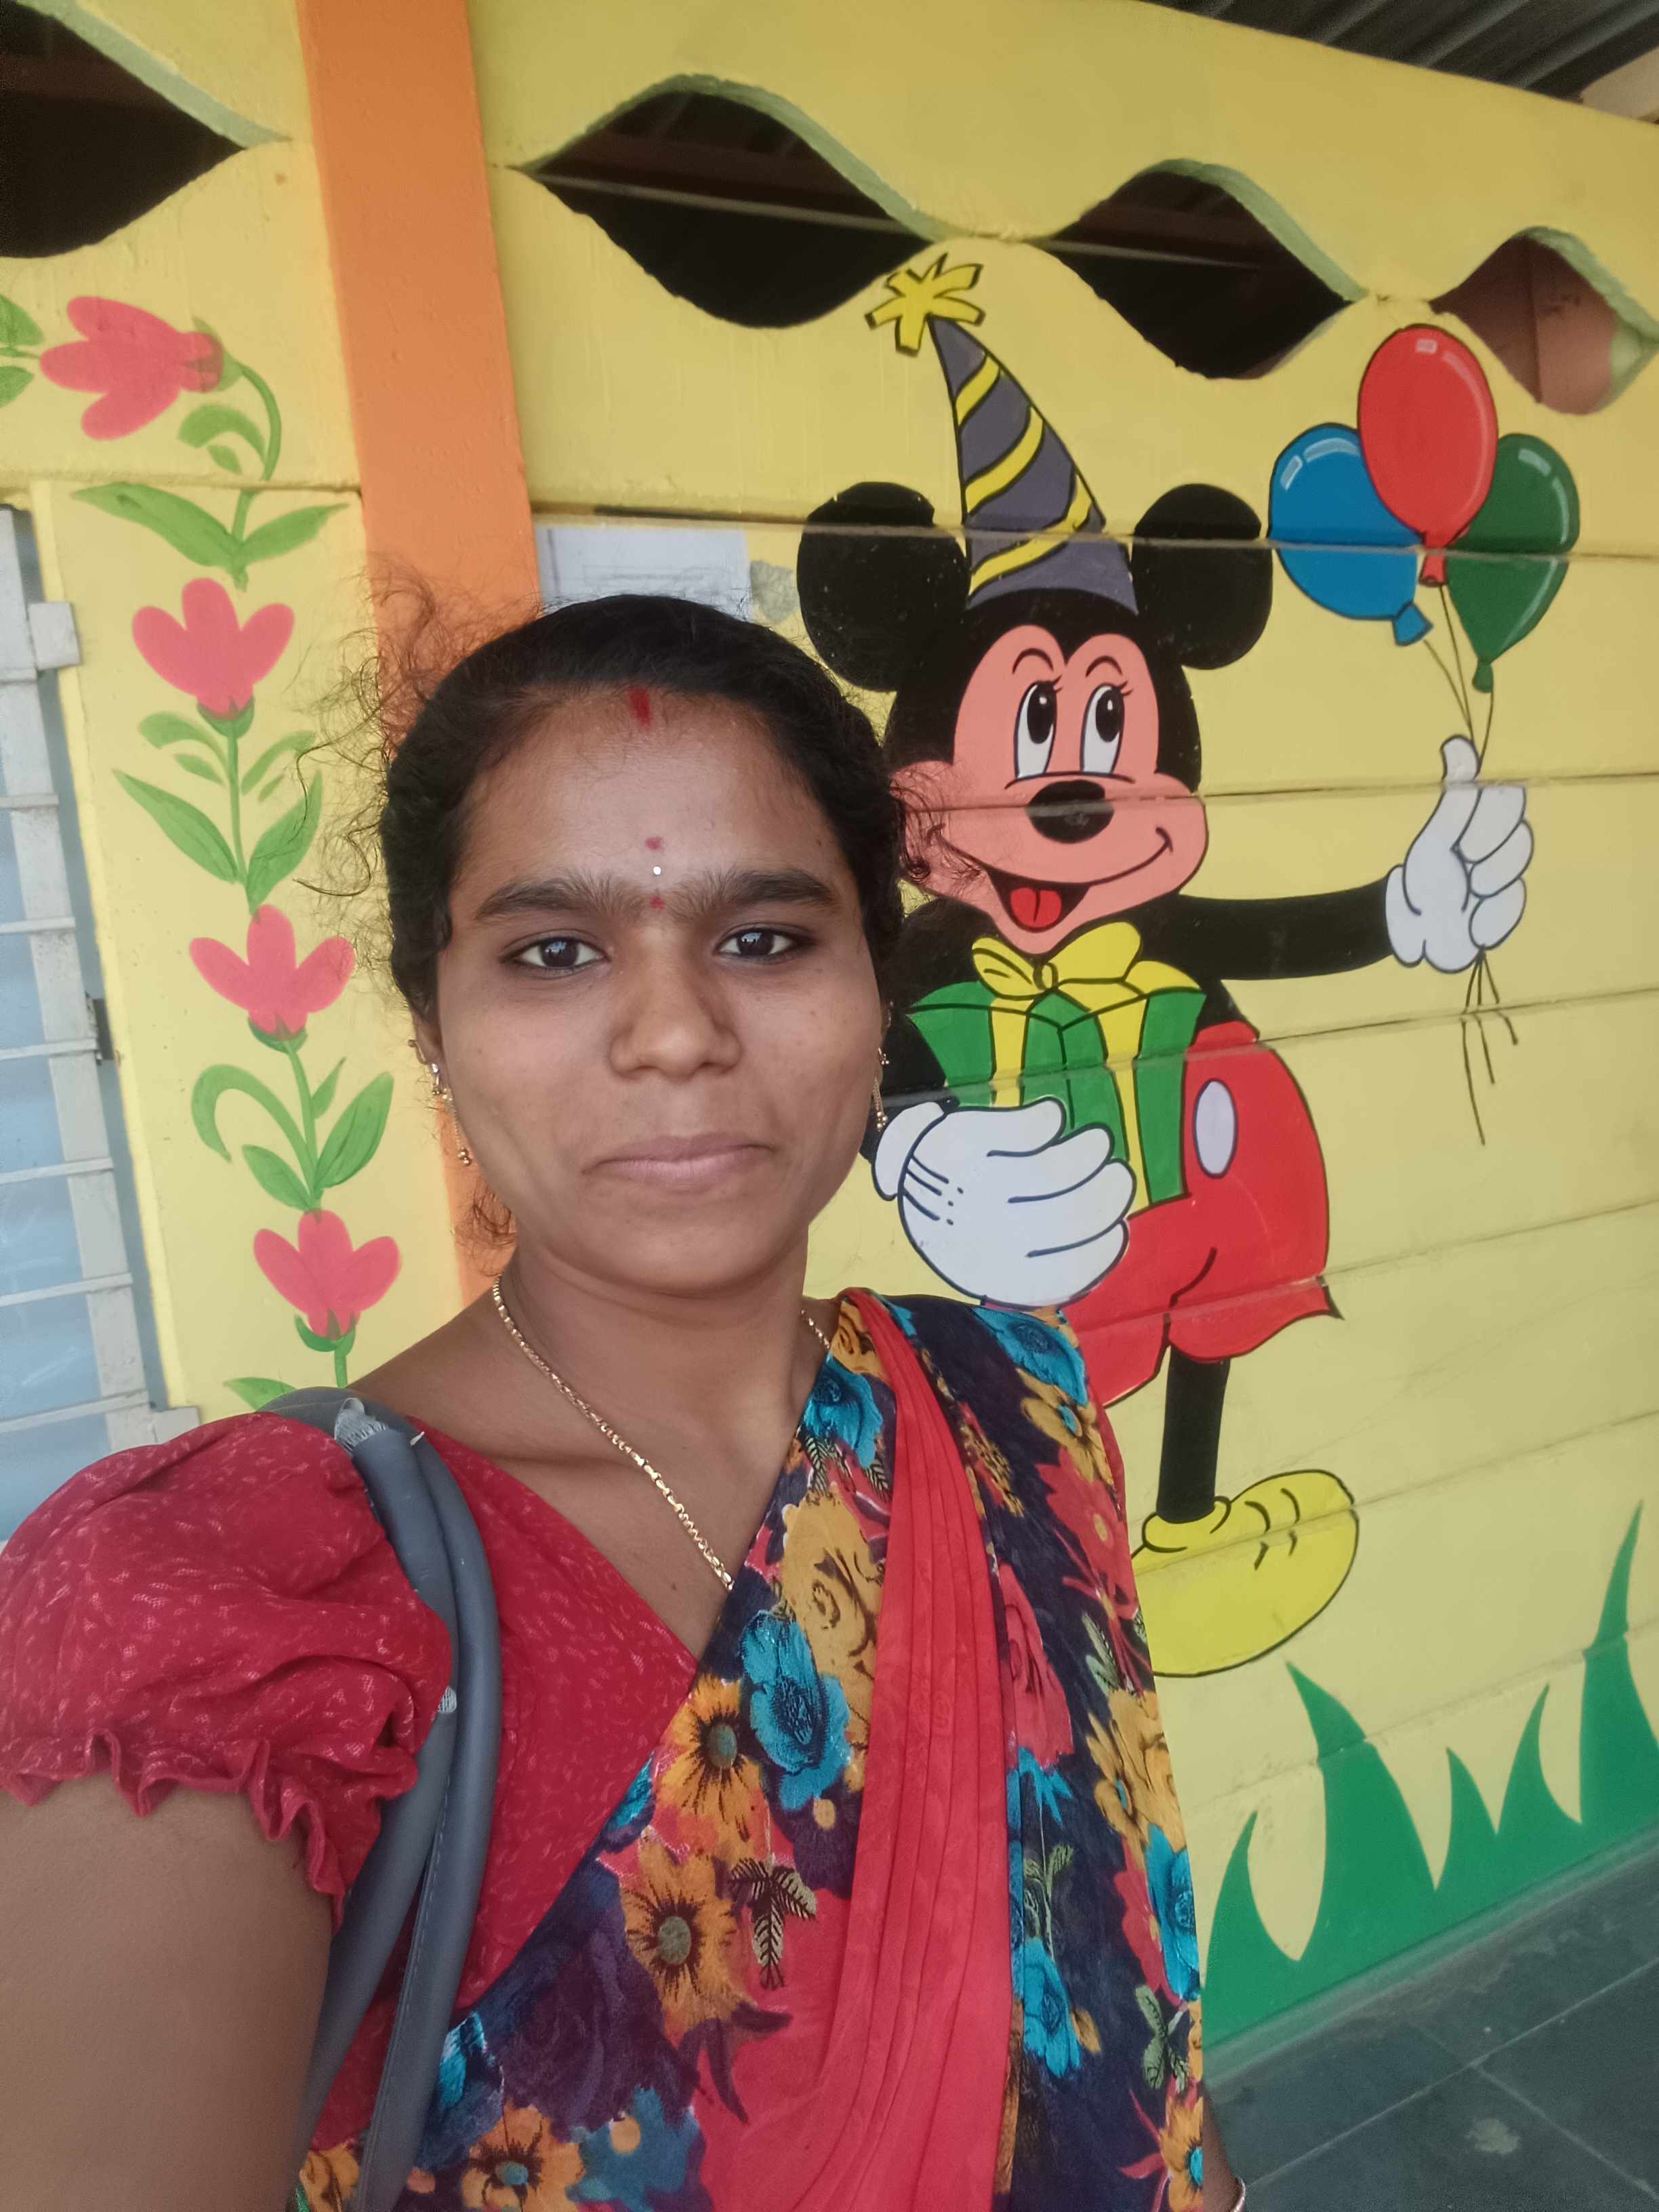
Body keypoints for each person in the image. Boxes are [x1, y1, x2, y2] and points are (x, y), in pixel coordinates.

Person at [0, 596, 1242, 2211]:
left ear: (879, 984)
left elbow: (1133, 2012)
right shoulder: (232, 1602)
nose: (674, 1034)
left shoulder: (1014, 1409)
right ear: (431, 1019)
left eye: (767, 937)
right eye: (555, 952)